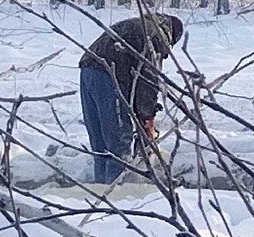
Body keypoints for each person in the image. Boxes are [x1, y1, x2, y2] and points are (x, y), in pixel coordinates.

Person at [78, 13, 183, 183]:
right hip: (108, 76)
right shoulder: (153, 36)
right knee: (118, 145)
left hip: (87, 70)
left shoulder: (137, 24)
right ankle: (118, 194)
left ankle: (101, 190)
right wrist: (147, 118)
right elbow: (147, 82)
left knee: (100, 145)